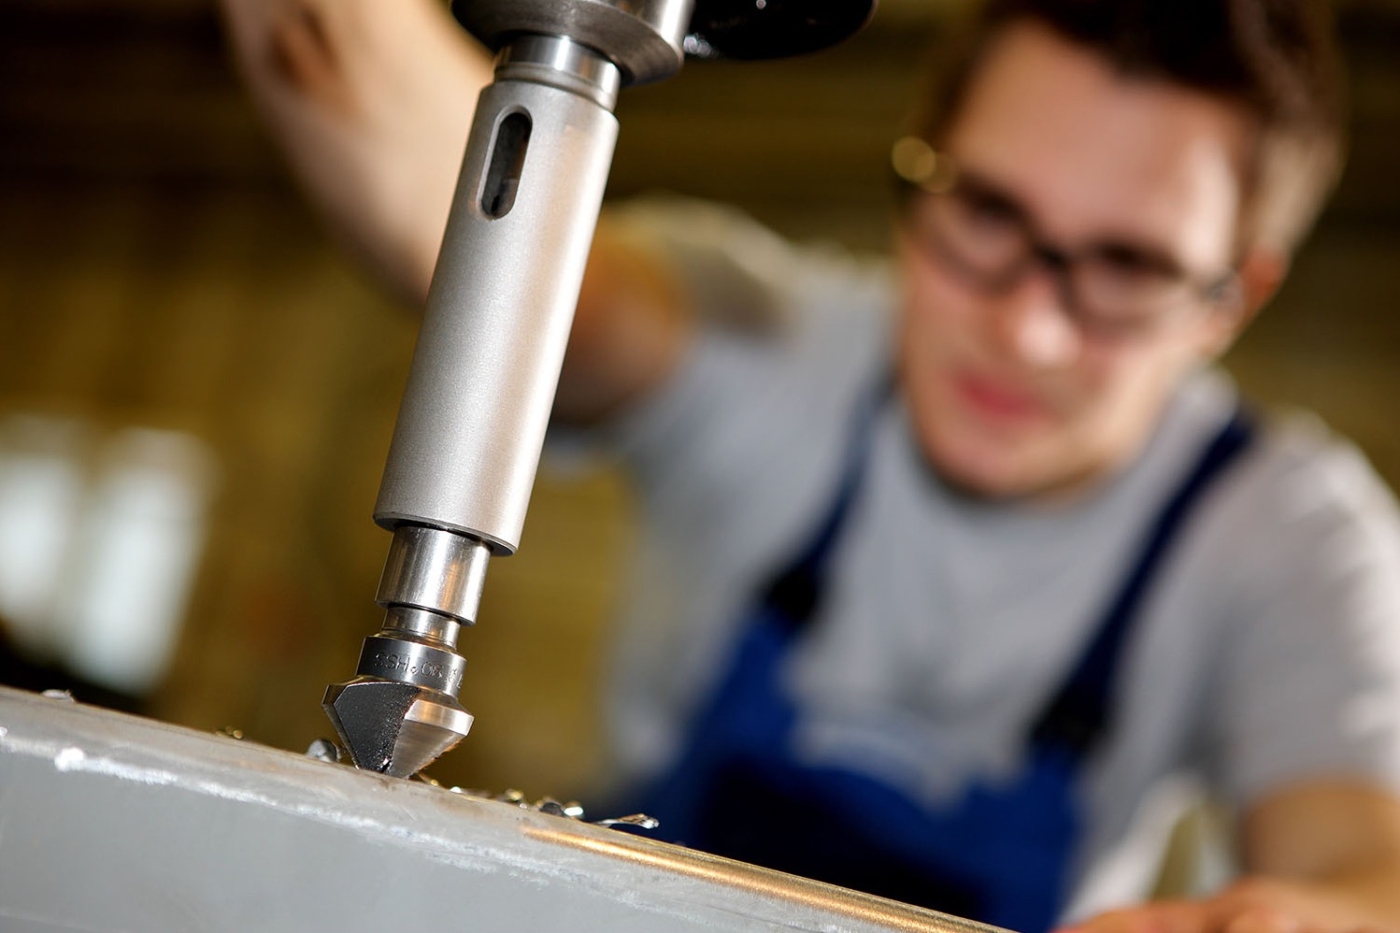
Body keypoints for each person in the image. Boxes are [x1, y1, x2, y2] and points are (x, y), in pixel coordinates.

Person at [217, 0, 1400, 931]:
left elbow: (1357, 861)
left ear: (1230, 299)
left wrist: (1300, 917)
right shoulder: (765, 348)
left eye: (1125, 268)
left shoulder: (1285, 535)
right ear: (920, 166)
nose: (1026, 328)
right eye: (985, 211)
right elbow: (492, 263)